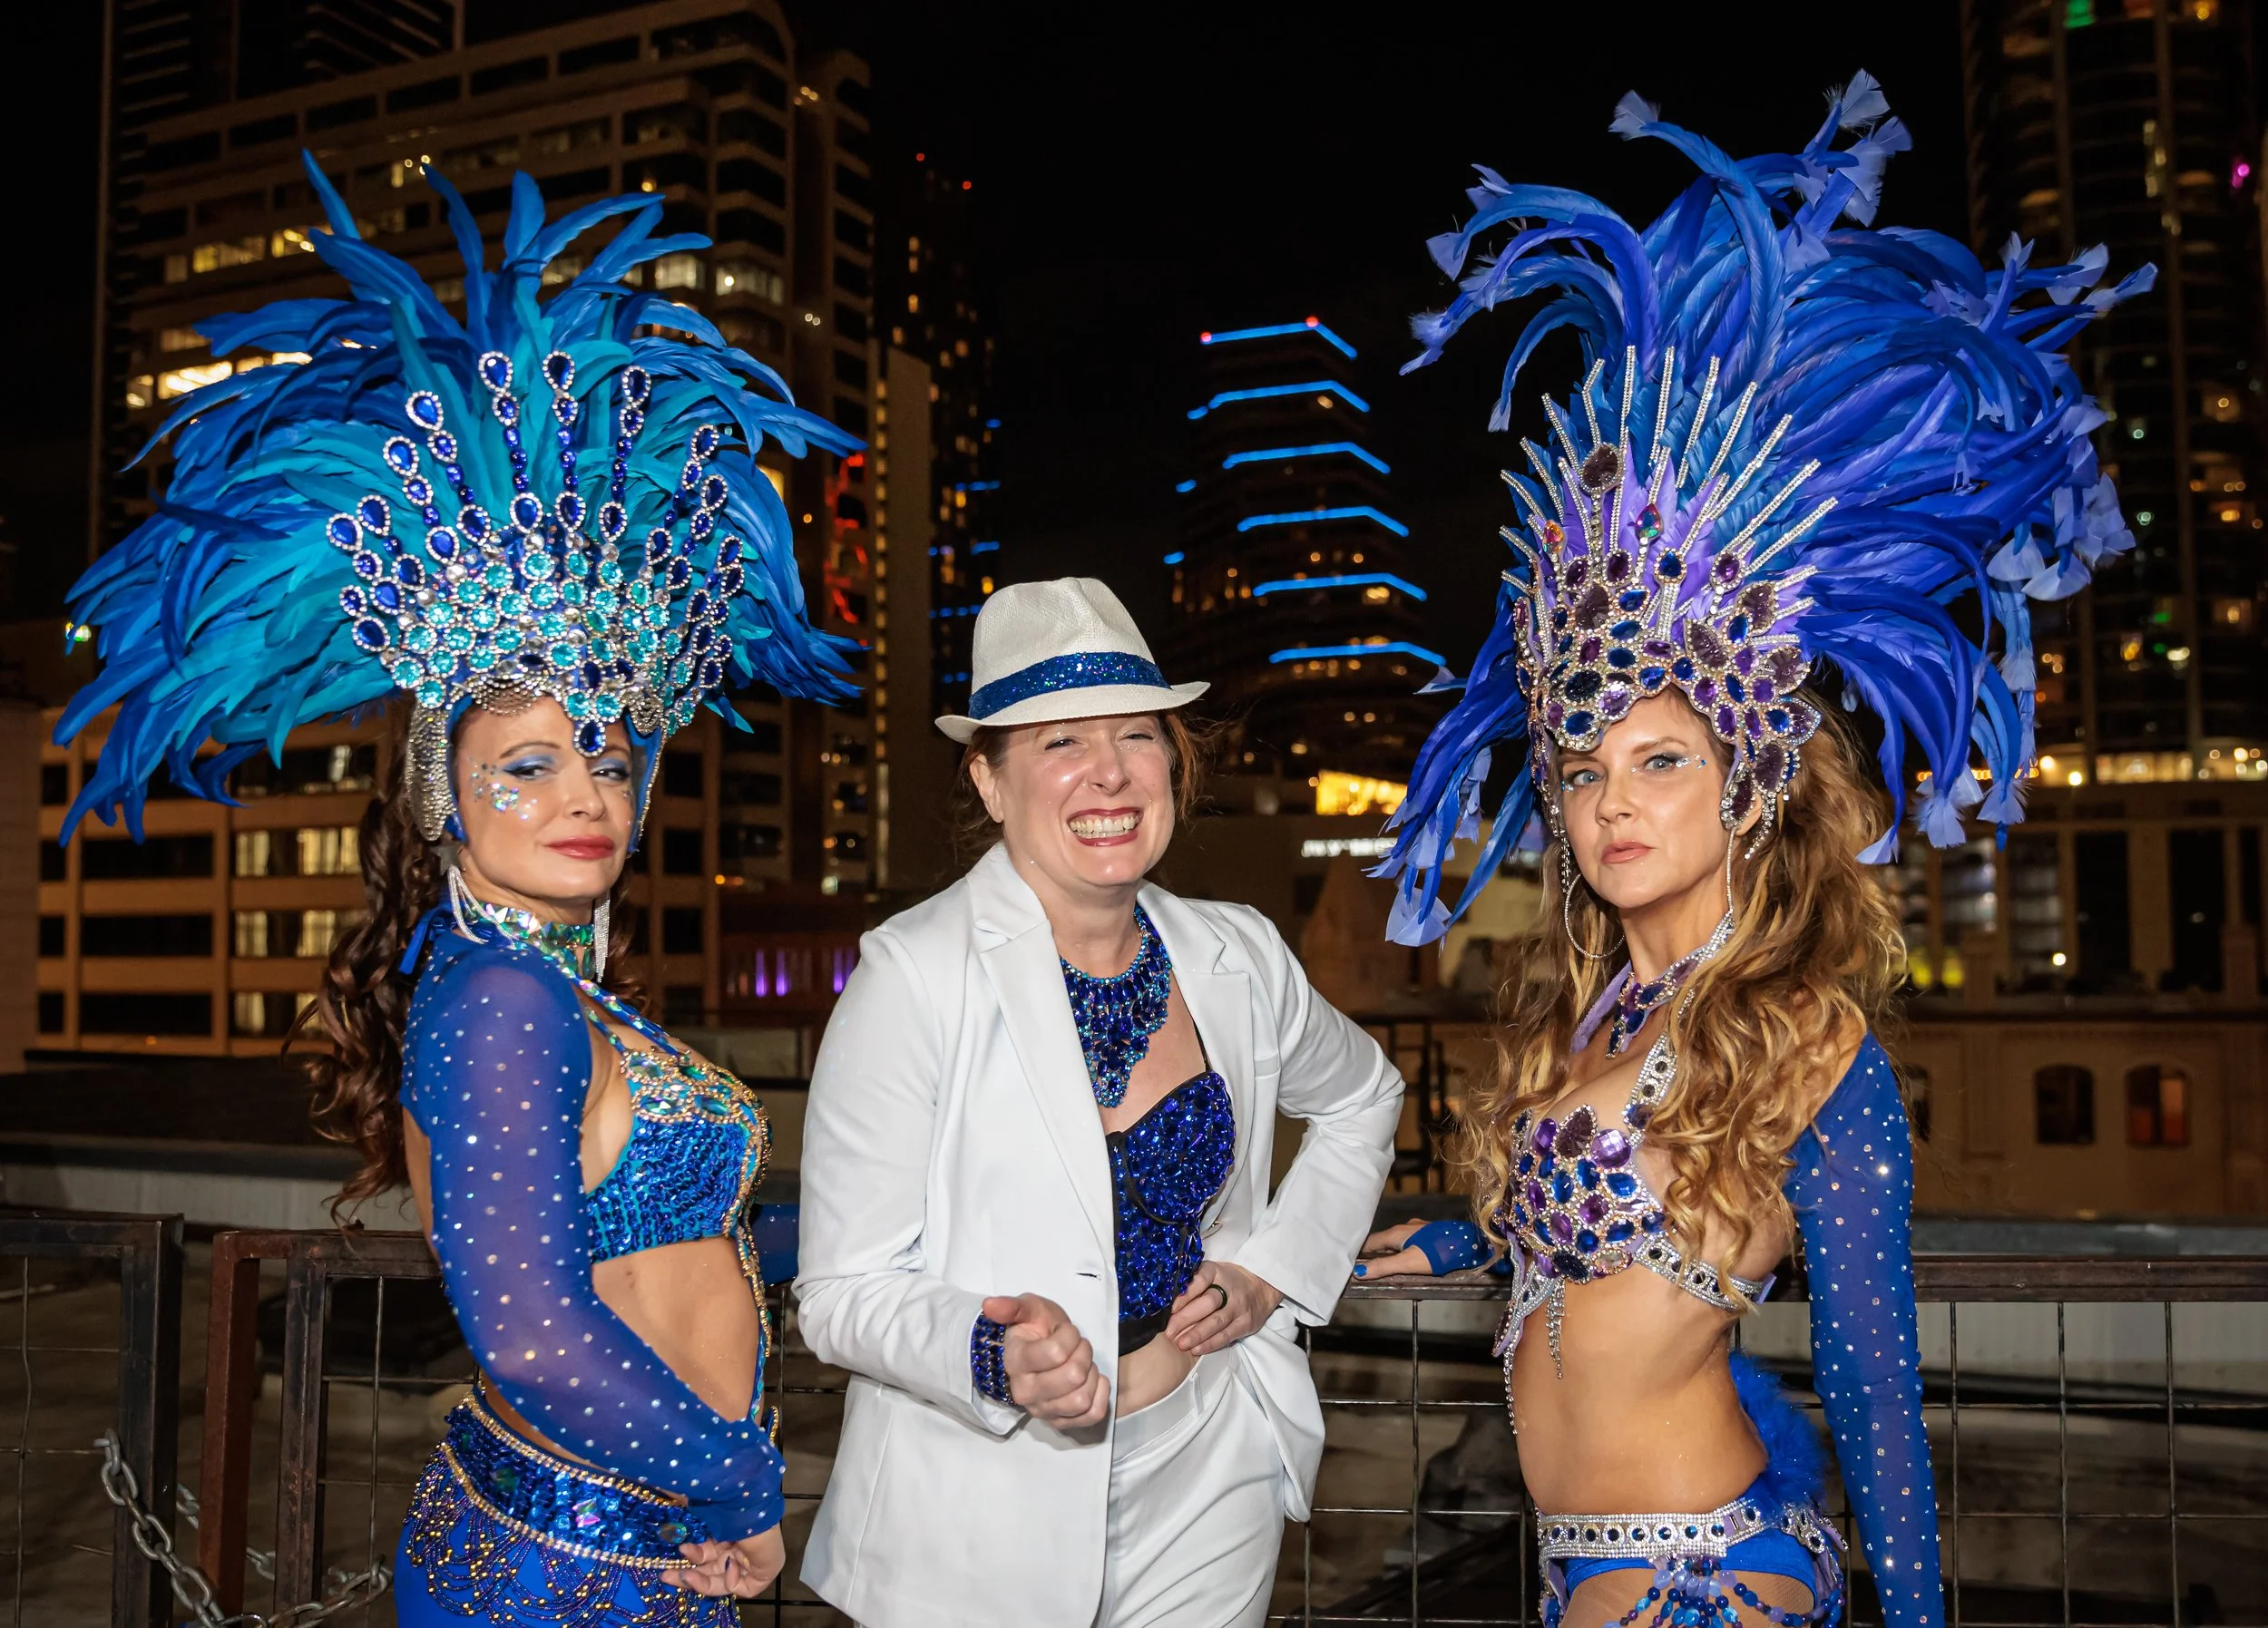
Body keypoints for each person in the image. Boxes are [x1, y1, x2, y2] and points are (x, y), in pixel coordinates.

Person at [1355, 74, 2149, 1628]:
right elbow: (1602, 1246)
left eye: (1661, 761)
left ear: (1750, 787)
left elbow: (1865, 1369)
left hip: (1705, 1581)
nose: (1609, 803)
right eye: (1582, 769)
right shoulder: (1599, 1014)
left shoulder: (1812, 1043)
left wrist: (1919, 1621)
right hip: (1577, 1574)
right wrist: (1463, 1233)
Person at [55, 153, 866, 1625]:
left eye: (609, 760)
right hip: (574, 1568)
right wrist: (744, 1487)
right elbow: (534, 1331)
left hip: (641, 1541)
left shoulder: (563, 995)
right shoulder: (496, 1002)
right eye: (529, 766)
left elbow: (666, 1238)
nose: (584, 796)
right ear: (443, 795)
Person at [795, 577, 1406, 1627]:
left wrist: (1272, 1271)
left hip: (1211, 1474)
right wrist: (991, 1355)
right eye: (1057, 743)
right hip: (974, 1512)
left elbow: (1365, 1096)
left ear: (1174, 761)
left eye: (1135, 733)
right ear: (989, 781)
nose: (1109, 773)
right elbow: (840, 1292)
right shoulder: (912, 974)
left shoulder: (1241, 955)